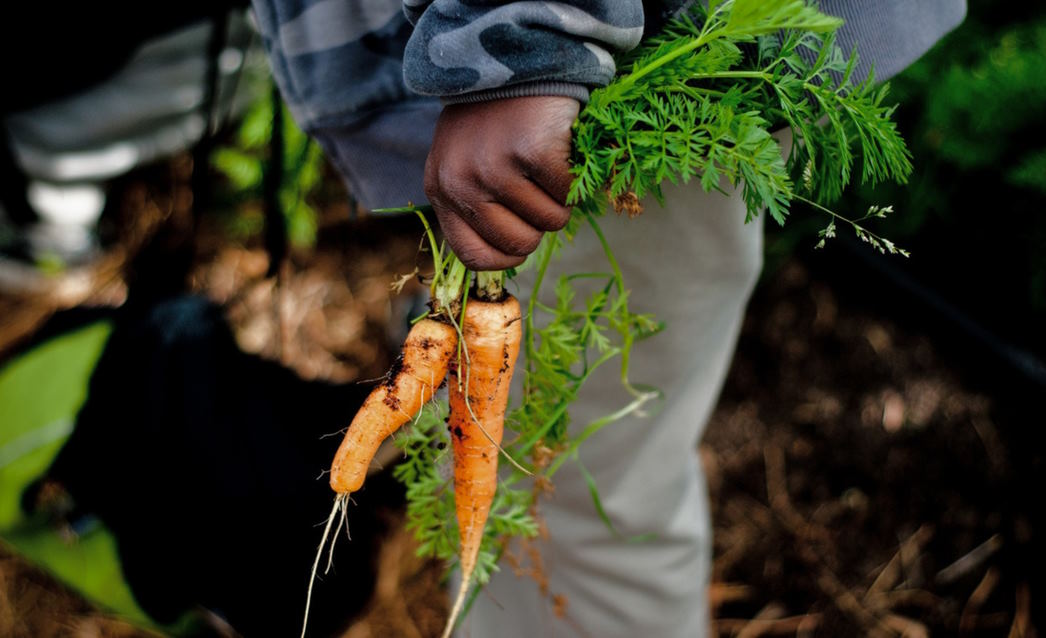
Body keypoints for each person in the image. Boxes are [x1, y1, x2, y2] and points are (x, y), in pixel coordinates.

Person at [248, 1, 967, 635]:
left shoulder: (531, 54)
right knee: (527, 471)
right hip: (553, 62)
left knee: (584, 515)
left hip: (604, 86)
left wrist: (522, 44)